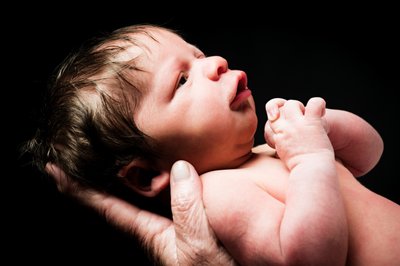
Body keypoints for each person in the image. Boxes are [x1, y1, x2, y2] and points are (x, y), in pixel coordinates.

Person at [24, 24, 400, 265]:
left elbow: (369, 155)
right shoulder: (220, 195)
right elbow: (313, 259)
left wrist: (321, 126)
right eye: (182, 81)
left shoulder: (272, 150)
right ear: (146, 173)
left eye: (197, 53)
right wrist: (311, 156)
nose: (216, 63)